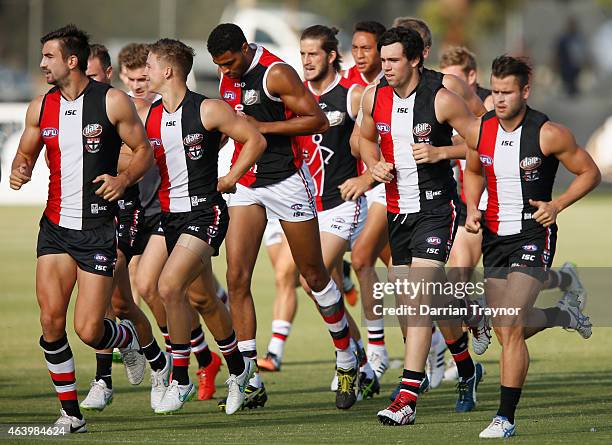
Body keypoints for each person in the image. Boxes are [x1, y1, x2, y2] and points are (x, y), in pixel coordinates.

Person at [208, 23, 362, 410]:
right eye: (219, 67)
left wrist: (264, 127)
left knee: (312, 275)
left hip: (287, 182)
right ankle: (249, 377)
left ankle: (347, 358)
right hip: (247, 184)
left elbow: (317, 121)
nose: (225, 72)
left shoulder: (276, 73)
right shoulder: (229, 76)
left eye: (229, 64)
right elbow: (233, 124)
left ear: (245, 49)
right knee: (236, 276)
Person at [9, 24, 153, 432]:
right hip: (54, 229)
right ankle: (71, 415)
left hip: (97, 231)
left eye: (48, 57)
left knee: (90, 330)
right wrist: (20, 170)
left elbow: (143, 153)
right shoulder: (40, 107)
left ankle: (125, 338)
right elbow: (25, 153)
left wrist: (123, 181)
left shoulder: (112, 102)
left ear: (72, 61)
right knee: (51, 324)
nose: (42, 64)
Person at [463, 55, 598, 438]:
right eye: (496, 91)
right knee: (509, 330)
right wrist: (473, 207)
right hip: (493, 238)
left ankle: (505, 418)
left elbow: (590, 172)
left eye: (508, 92)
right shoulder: (479, 130)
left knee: (507, 322)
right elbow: (473, 171)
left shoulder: (548, 132)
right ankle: (564, 314)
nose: (500, 99)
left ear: (525, 91)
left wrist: (557, 205)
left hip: (532, 235)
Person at [358, 27, 485, 425]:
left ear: (414, 59)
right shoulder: (372, 95)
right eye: (384, 59)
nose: (386, 66)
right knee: (424, 300)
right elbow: (361, 139)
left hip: (436, 207)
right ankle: (467, 368)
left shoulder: (442, 98)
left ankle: (408, 396)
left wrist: (441, 151)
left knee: (415, 298)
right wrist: (372, 162)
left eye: (393, 60)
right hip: (397, 210)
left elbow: (483, 141)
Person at [143, 38, 267, 415]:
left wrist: (231, 176)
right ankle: (238, 370)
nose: (145, 73)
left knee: (168, 286)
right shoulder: (150, 115)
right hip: (170, 219)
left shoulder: (209, 109)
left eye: (149, 66)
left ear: (168, 71)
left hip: (204, 214)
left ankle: (179, 377)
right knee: (201, 299)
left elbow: (255, 139)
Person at [79, 43, 168, 413]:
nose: (87, 84)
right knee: (117, 301)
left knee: (118, 290)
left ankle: (107, 378)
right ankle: (153, 362)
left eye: (94, 77)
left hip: (128, 207)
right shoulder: (67, 105)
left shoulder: (119, 105)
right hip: (80, 212)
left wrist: (96, 153)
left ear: (107, 75)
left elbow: (139, 153)